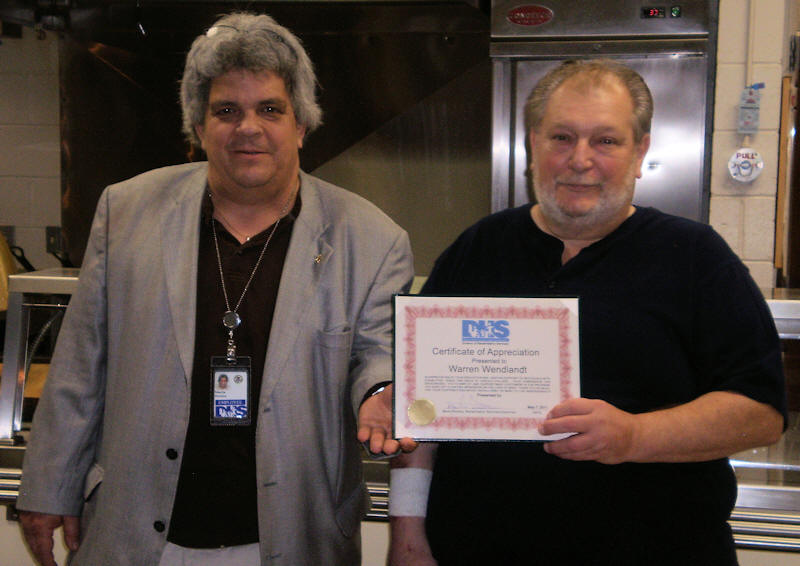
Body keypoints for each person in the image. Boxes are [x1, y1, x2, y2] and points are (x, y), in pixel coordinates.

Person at [16, 12, 415, 566]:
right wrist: (47, 486)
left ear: (301, 124)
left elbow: (377, 353)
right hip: (137, 535)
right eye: (226, 110)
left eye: (270, 109)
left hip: (295, 536)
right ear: (198, 128)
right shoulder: (126, 210)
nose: (248, 127)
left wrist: (381, 389)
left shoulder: (372, 238)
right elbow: (81, 365)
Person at [387, 59, 786, 566]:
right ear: (533, 145)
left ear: (639, 152)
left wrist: (636, 436)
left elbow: (761, 413)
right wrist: (406, 534)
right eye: (562, 138)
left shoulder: (695, 257)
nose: (580, 160)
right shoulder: (477, 249)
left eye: (606, 141)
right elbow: (421, 411)